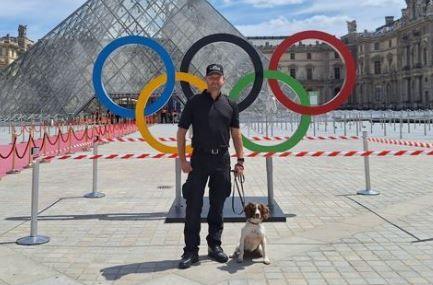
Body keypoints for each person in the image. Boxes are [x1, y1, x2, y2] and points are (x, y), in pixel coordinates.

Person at [176, 64, 245, 269]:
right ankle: (190, 251)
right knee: (193, 206)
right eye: (211, 77)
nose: (215, 80)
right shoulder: (194, 103)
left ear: (223, 80)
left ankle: (215, 246)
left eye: (218, 77)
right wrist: (182, 160)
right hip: (199, 160)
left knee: (217, 206)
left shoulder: (231, 104)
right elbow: (181, 132)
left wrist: (240, 160)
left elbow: (236, 134)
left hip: (222, 160)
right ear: (205, 80)